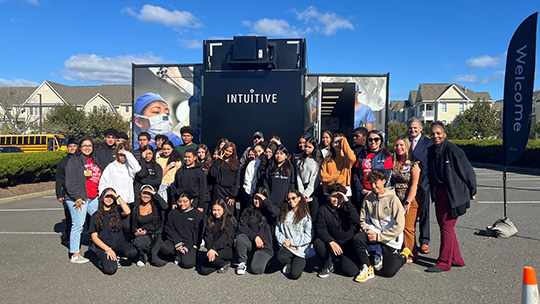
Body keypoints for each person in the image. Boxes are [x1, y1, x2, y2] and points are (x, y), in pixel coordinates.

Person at [426, 122, 476, 273]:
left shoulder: (454, 150)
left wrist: (473, 190)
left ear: (444, 134)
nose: (436, 136)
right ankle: (456, 259)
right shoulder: (432, 151)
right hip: (439, 193)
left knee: (447, 227)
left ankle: (443, 263)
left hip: (453, 193)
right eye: (433, 134)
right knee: (445, 226)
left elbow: (468, 172)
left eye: (439, 133)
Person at [353, 169, 409, 282]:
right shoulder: (368, 199)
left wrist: (379, 237)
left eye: (376, 183)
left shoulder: (393, 199)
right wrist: (369, 231)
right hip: (375, 233)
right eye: (371, 184)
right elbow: (362, 220)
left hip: (391, 238)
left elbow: (399, 226)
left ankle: (403, 255)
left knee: (389, 272)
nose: (373, 186)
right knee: (357, 238)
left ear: (384, 181)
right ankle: (367, 267)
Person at [64, 137, 102, 263]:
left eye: (89, 146)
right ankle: (75, 254)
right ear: (80, 147)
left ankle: (95, 245)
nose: (87, 148)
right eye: (84, 145)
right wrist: (78, 197)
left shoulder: (94, 160)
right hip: (78, 198)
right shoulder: (74, 161)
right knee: (78, 225)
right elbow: (69, 182)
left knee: (100, 220)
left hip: (93, 197)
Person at [314, 184, 360, 279]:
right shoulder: (323, 210)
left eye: (339, 197)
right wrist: (331, 241)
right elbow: (320, 228)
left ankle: (338, 259)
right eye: (333, 196)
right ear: (329, 196)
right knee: (318, 242)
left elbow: (356, 220)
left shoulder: (348, 207)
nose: (335, 200)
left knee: (352, 271)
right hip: (331, 243)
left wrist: (347, 201)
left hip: (346, 244)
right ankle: (327, 264)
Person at [89, 188, 137, 275]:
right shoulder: (95, 215)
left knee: (132, 252)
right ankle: (98, 256)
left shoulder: (117, 211)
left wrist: (117, 196)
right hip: (103, 246)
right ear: (102, 198)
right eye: (107, 196)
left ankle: (115, 256)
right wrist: (107, 249)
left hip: (117, 242)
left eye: (112, 197)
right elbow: (94, 237)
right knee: (110, 270)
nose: (109, 199)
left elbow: (127, 211)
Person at [391, 136, 423, 262]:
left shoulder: (414, 163)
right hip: (396, 197)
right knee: (398, 225)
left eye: (401, 145)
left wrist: (408, 201)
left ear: (407, 146)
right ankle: (404, 248)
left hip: (412, 196)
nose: (399, 148)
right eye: (396, 145)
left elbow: (415, 184)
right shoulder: (394, 161)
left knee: (408, 227)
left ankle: (411, 254)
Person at [407, 117, 433, 255]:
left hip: (424, 184)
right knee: (409, 214)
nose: (413, 130)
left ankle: (424, 241)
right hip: (407, 184)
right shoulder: (405, 142)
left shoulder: (428, 143)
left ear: (421, 128)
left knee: (424, 213)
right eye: (411, 127)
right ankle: (410, 242)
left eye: (415, 127)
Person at [235, 187, 274, 275]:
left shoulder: (269, 211)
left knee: (256, 269)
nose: (257, 201)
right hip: (252, 242)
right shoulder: (248, 210)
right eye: (255, 198)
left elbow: (276, 213)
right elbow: (242, 226)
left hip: (265, 246)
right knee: (241, 238)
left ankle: (265, 260)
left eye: (260, 199)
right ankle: (242, 263)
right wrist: (255, 237)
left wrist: (265, 202)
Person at [160, 192, 205, 269]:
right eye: (179, 201)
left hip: (190, 242)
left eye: (185, 201)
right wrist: (178, 243)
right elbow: (169, 229)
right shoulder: (173, 213)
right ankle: (177, 253)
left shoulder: (197, 215)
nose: (182, 204)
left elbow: (197, 235)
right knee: (165, 249)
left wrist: (187, 246)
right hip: (177, 240)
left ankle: (190, 254)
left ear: (191, 201)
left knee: (188, 263)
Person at [275, 190, 312, 280]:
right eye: (289, 199)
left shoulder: (305, 216)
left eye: (293, 198)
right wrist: (286, 243)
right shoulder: (283, 214)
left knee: (295, 275)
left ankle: (298, 263)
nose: (291, 201)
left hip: (300, 249)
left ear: (299, 198)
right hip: (287, 246)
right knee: (280, 257)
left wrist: (292, 242)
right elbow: (278, 231)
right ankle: (289, 262)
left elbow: (308, 236)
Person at [131, 185, 169, 267]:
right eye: (144, 193)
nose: (146, 196)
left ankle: (153, 253)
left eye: (149, 193)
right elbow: (133, 227)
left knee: (157, 262)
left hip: (158, 234)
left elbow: (165, 206)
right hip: (145, 235)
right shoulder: (136, 208)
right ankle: (143, 256)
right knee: (139, 241)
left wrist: (154, 193)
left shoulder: (157, 206)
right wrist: (136, 233)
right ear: (140, 194)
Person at [354, 130, 392, 205]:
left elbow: (387, 177)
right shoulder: (361, 156)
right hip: (364, 192)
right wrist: (361, 189)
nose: (373, 142)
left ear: (381, 141)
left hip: (380, 193)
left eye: (376, 139)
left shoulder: (386, 156)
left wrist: (376, 190)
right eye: (370, 139)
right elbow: (356, 175)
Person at [99, 142, 141, 208]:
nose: (123, 157)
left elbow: (137, 168)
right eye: (121, 155)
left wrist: (126, 153)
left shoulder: (130, 167)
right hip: (112, 201)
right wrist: (103, 196)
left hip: (126, 201)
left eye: (125, 155)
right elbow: (103, 182)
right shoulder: (111, 166)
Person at [200, 199, 237, 275]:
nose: (216, 212)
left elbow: (225, 238)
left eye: (219, 210)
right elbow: (208, 236)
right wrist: (211, 248)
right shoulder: (210, 219)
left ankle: (226, 262)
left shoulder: (229, 220)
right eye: (214, 210)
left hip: (226, 248)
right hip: (213, 248)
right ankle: (220, 264)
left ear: (224, 209)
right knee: (204, 271)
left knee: (212, 260)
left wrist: (214, 248)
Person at [262, 145, 296, 221]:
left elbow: (292, 183)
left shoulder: (290, 168)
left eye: (281, 153)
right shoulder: (270, 167)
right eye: (277, 153)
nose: (279, 156)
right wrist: (268, 196)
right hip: (272, 199)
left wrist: (289, 196)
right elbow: (266, 183)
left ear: (286, 156)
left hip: (285, 200)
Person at [55, 137, 78, 245]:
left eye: (74, 146)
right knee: (69, 216)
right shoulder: (63, 162)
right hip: (67, 194)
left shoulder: (81, 159)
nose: (72, 148)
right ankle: (68, 236)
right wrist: (59, 194)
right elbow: (59, 178)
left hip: (81, 192)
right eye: (70, 146)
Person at [295, 137, 323, 219]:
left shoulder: (317, 161)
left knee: (313, 217)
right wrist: (301, 193)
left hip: (313, 191)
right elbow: (298, 176)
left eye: (309, 147)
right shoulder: (300, 160)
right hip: (302, 189)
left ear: (314, 148)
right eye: (306, 146)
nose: (306, 148)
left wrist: (306, 194)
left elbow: (315, 179)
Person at [209, 142, 240, 214]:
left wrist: (233, 195)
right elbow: (213, 174)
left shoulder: (235, 163)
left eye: (230, 151)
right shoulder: (217, 161)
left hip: (229, 192)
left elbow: (237, 180)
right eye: (226, 150)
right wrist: (219, 160)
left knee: (228, 214)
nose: (227, 153)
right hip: (218, 191)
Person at [173, 148, 208, 213]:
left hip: (195, 202)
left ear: (195, 158)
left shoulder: (200, 172)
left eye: (189, 157)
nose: (187, 159)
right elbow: (175, 187)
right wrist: (174, 202)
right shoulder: (180, 171)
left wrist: (201, 205)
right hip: (181, 202)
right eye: (185, 157)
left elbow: (203, 189)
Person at [351, 127, 368, 208]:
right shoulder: (352, 149)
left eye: (357, 136)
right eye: (353, 136)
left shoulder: (366, 152)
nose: (354, 138)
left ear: (364, 137)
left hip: (364, 185)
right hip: (353, 181)